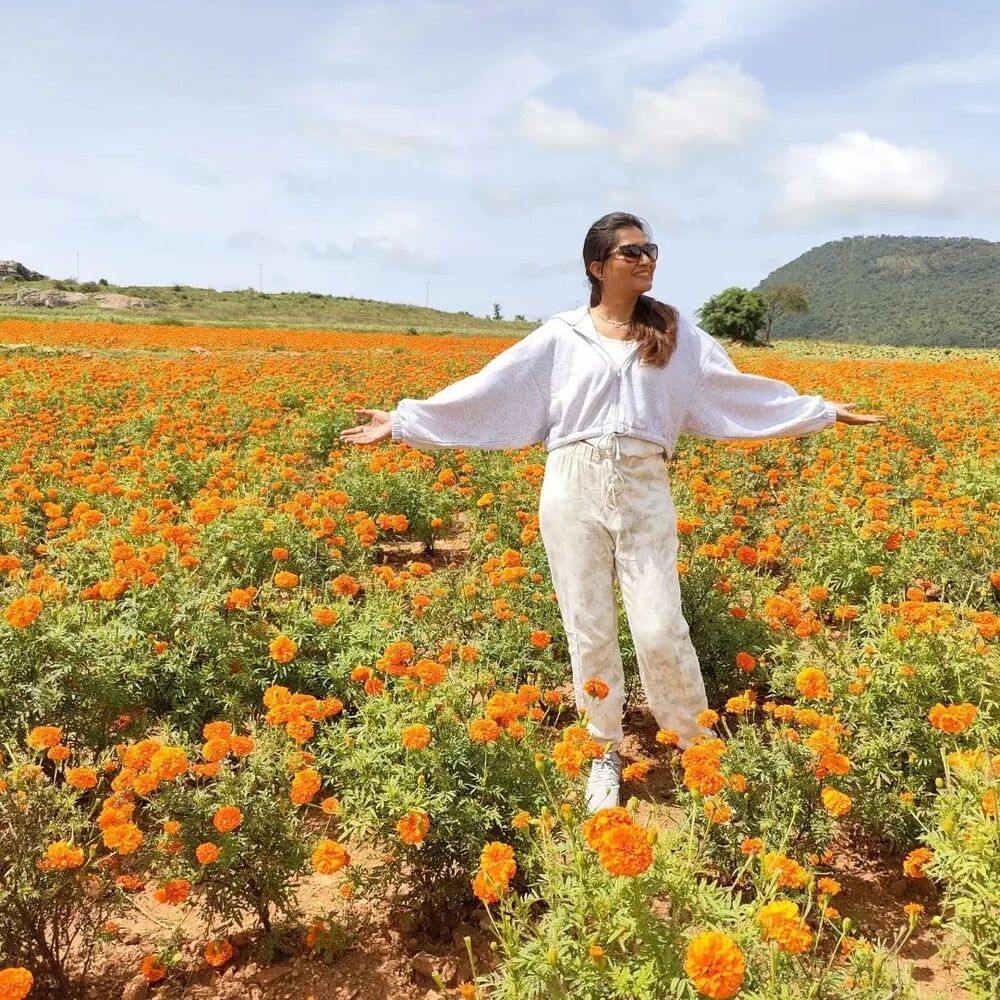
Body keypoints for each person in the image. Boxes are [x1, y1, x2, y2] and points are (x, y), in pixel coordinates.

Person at [340, 211, 885, 813]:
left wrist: (819, 410)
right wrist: (407, 422)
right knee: (589, 626)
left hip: (644, 479)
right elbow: (492, 388)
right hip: (571, 481)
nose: (646, 258)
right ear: (598, 268)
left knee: (659, 624)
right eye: (631, 252)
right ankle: (603, 752)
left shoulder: (676, 334)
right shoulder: (561, 335)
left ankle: (694, 741)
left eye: (650, 249)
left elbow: (736, 391)